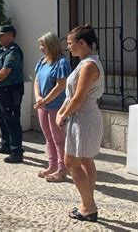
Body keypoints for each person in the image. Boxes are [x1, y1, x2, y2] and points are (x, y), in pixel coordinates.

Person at [56, 25, 104, 222]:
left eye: (70, 43)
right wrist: (63, 110)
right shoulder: (86, 62)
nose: (69, 47)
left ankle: (89, 207)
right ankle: (88, 202)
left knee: (71, 162)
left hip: (83, 118)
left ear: (82, 43)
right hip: (83, 116)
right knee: (85, 160)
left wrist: (62, 115)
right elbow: (74, 96)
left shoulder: (88, 65)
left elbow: (78, 98)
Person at [33, 32, 71, 182]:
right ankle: (52, 165)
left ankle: (62, 169)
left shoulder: (62, 62)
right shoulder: (42, 61)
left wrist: (46, 100)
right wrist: (38, 98)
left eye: (43, 45)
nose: (41, 48)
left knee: (58, 138)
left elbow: (61, 85)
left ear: (51, 45)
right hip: (43, 105)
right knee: (48, 137)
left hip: (56, 105)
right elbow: (37, 80)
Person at [0, 25, 24, 164]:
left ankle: (16, 151)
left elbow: (5, 71)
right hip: (1, 90)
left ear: (10, 35)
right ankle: (6, 145)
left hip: (11, 90)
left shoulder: (14, 51)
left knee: (12, 121)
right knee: (3, 119)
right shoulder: (2, 50)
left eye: (1, 35)